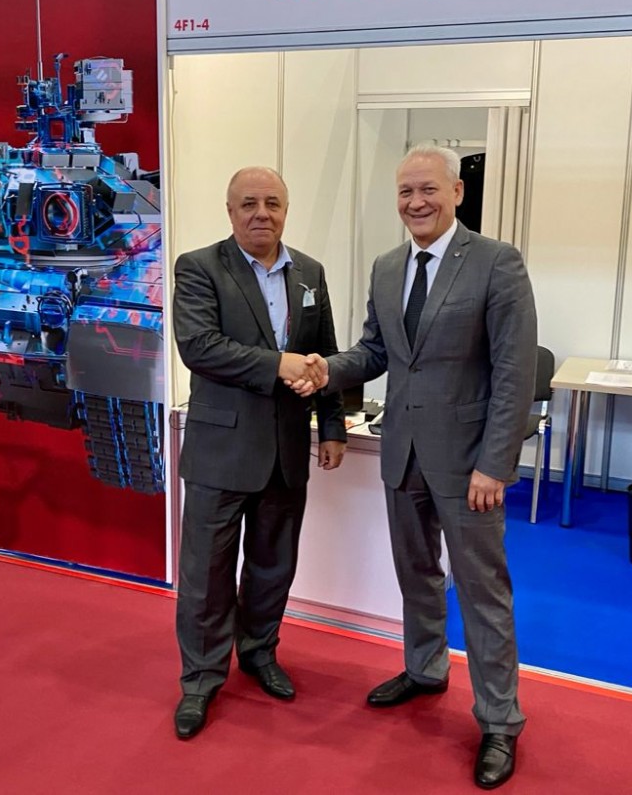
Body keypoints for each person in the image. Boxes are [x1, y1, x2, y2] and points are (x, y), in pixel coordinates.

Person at [291, 144, 537, 789]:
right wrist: (324, 369)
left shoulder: (497, 262)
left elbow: (514, 374)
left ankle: (500, 721)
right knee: (417, 576)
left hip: (469, 465)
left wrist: (495, 465)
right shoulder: (387, 267)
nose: (416, 202)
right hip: (402, 452)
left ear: (457, 192)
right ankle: (426, 670)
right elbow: (375, 351)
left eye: (428, 189)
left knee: (483, 591)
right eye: (405, 191)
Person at [172, 166, 347, 740]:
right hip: (220, 451)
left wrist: (332, 426)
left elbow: (325, 355)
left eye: (272, 203)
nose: (261, 213)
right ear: (230, 211)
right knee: (206, 574)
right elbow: (200, 347)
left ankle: (259, 652)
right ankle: (200, 679)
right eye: (248, 203)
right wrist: (278, 364)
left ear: (286, 210)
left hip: (286, 451)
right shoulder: (199, 267)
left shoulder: (310, 273)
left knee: (273, 566)